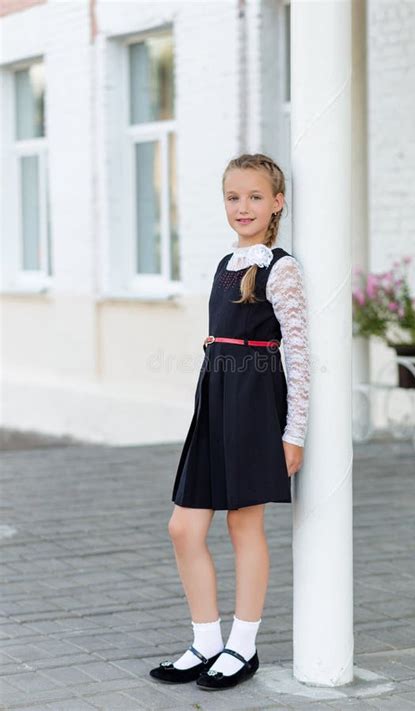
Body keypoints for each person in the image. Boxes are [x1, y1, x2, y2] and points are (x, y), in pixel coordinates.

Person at [149, 153, 311, 690]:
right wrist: (214, 347)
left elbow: (299, 351)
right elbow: (227, 328)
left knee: (244, 524)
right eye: (233, 197)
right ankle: (206, 641)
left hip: (255, 403)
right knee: (183, 526)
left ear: (277, 203)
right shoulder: (225, 264)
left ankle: (243, 647)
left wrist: (294, 431)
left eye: (255, 197)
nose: (243, 207)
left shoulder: (280, 267)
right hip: (216, 396)